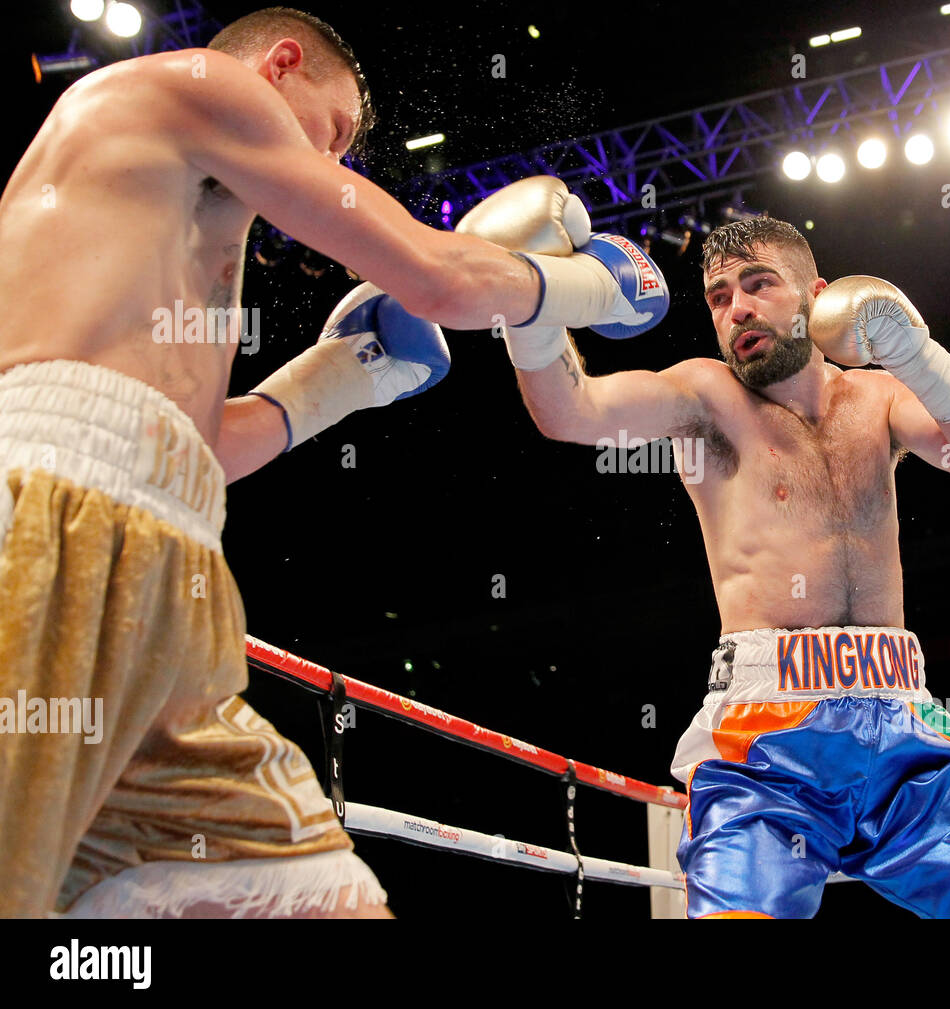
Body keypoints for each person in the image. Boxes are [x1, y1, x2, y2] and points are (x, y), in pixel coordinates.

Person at [0, 8, 664, 918]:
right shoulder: (204, 85)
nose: (335, 163)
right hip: (48, 520)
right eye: (338, 128)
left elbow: (188, 450)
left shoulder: (171, 229)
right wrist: (587, 286)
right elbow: (439, 277)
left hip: (161, 575)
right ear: (280, 64)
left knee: (323, 899)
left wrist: (341, 379)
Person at [459, 177, 950, 918]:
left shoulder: (877, 397)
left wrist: (918, 353)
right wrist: (536, 305)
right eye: (719, 296)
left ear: (815, 294)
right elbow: (572, 412)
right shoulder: (708, 395)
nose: (737, 308)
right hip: (763, 739)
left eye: (757, 285)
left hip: (904, 729)